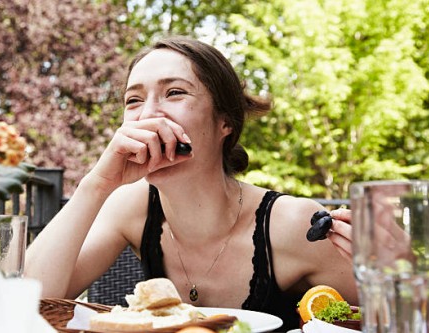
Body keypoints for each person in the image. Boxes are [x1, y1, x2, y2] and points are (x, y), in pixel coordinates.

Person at [24, 36, 358, 331]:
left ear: (225, 122)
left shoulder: (294, 224)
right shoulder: (130, 206)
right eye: (134, 100)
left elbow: (387, 316)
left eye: (174, 93)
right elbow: (29, 301)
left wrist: (394, 264)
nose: (149, 115)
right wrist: (97, 184)